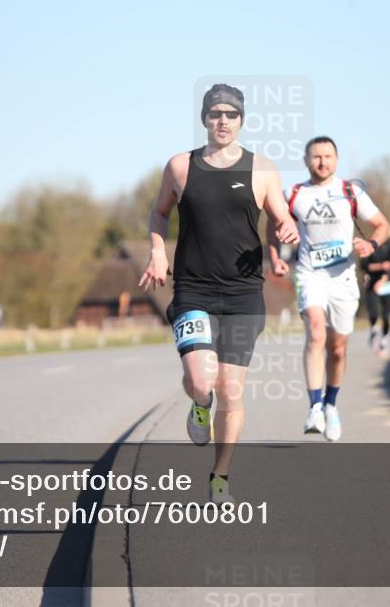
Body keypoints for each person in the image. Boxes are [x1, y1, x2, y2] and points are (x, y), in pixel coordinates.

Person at [139, 83, 298, 504]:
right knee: (199, 379)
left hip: (244, 294)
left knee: (232, 389)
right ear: (205, 119)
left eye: (230, 114)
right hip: (193, 288)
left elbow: (280, 216)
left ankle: (220, 475)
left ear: (242, 119)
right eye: (215, 114)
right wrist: (157, 251)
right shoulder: (180, 167)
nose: (223, 120)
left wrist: (285, 233)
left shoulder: (262, 169)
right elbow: (158, 214)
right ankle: (198, 405)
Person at [269, 136, 390, 441]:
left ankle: (331, 406)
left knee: (337, 349)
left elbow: (383, 225)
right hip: (311, 274)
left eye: (328, 156)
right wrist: (275, 257)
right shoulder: (294, 194)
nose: (322, 162)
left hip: (344, 277)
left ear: (336, 160)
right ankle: (314, 406)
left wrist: (371, 243)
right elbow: (273, 226)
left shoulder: (350, 191)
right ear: (306, 160)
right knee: (316, 332)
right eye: (316, 157)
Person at [362, 236, 390, 352]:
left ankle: (384, 340)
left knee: (386, 314)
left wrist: (382, 280)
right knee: (373, 312)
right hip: (371, 284)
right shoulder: (368, 245)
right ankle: (373, 328)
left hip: (387, 284)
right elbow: (364, 266)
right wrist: (381, 266)